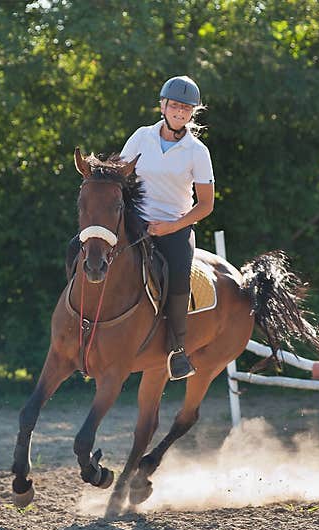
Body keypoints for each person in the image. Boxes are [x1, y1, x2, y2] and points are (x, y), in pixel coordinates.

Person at [119, 75, 215, 380]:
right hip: (136, 221)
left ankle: (176, 350)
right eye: (174, 105)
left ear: (191, 113)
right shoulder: (140, 137)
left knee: (178, 278)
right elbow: (121, 177)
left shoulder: (197, 152)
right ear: (163, 106)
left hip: (176, 226)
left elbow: (205, 205)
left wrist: (172, 226)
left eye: (185, 108)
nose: (179, 111)